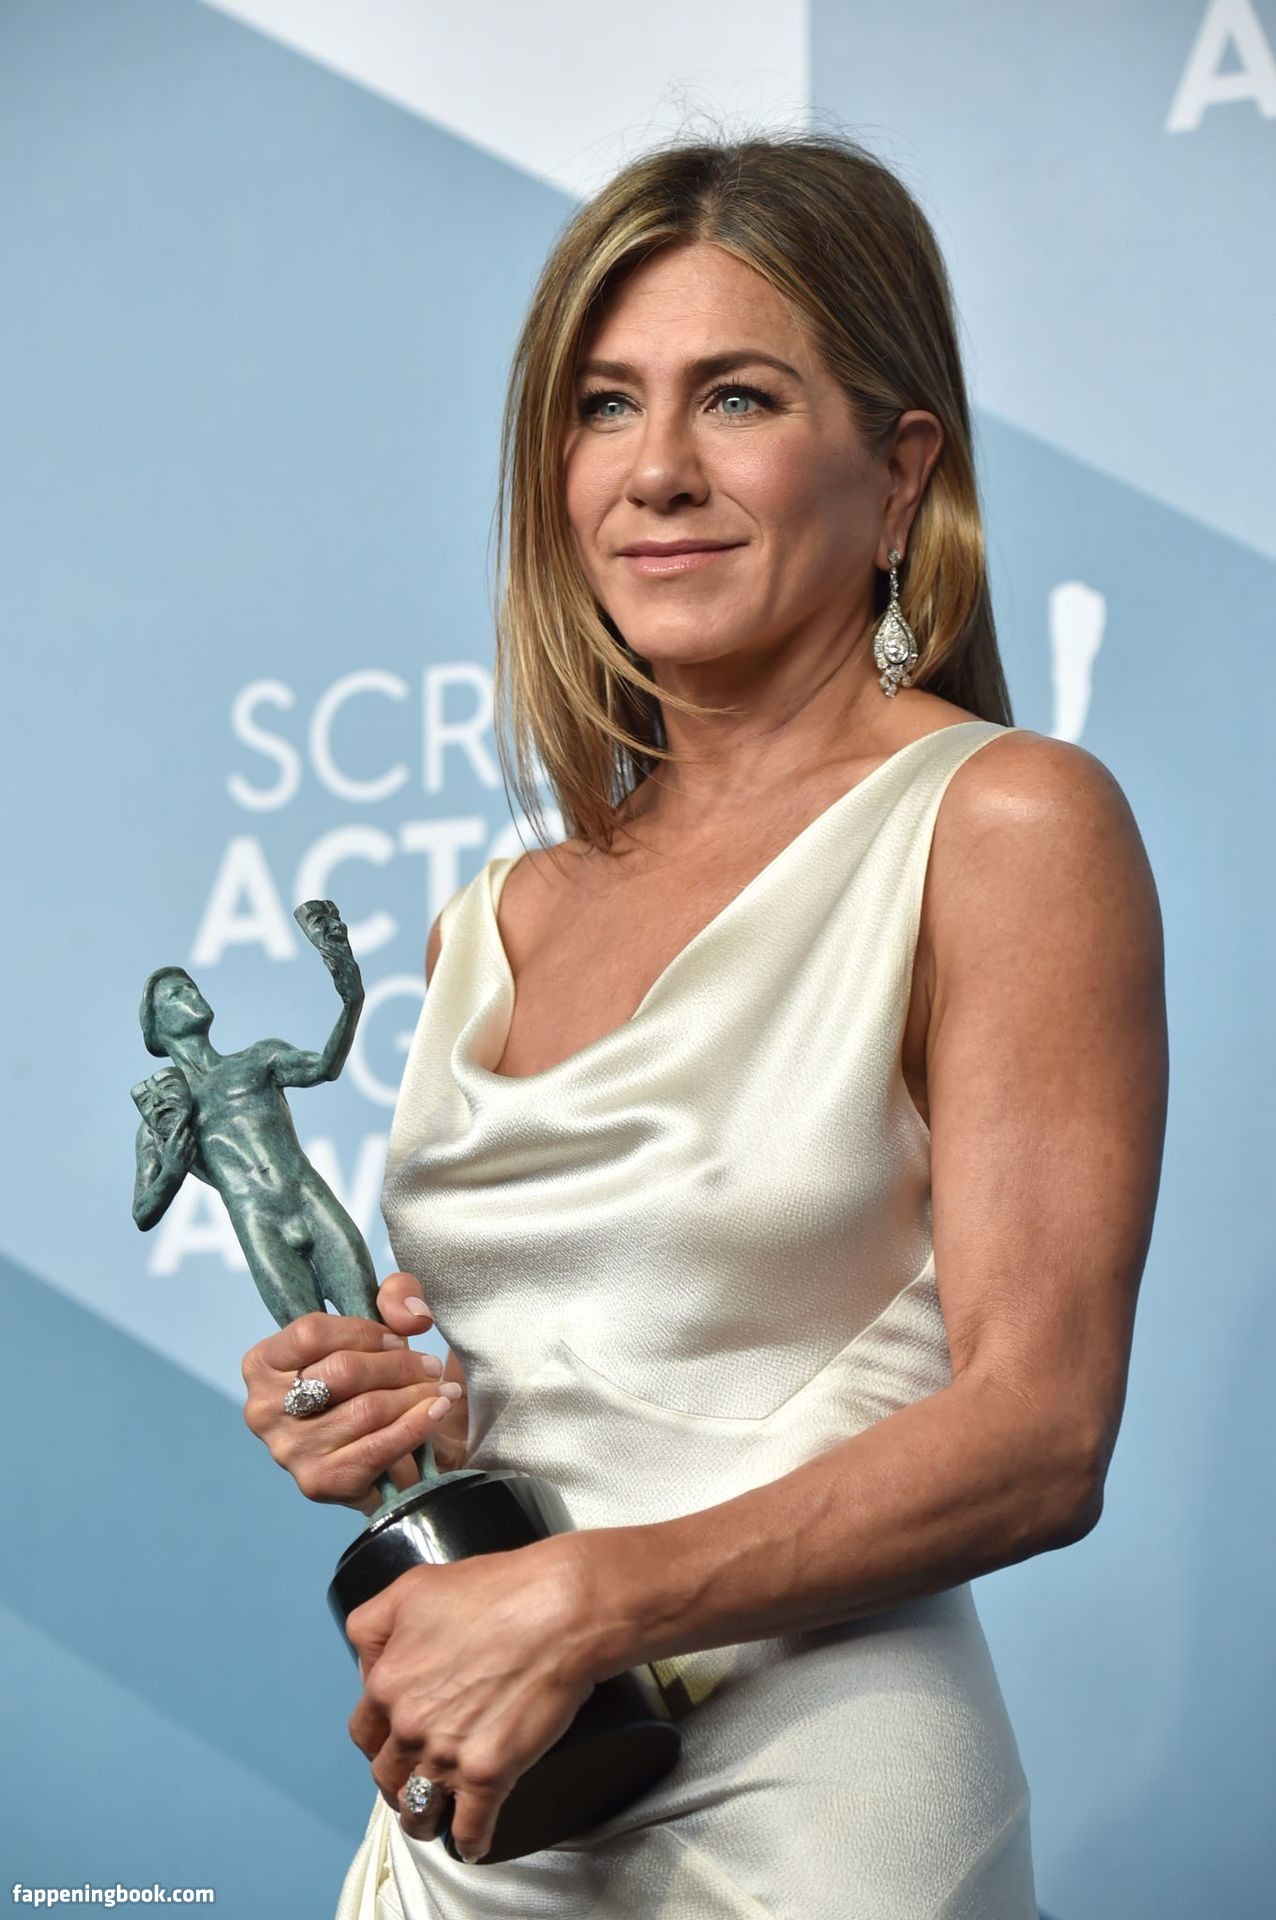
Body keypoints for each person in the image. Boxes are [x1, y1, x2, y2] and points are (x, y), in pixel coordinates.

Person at [240, 130, 1168, 1917]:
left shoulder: (1005, 825)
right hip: (487, 1817)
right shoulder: (494, 918)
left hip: (818, 1822)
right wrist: (399, 1421)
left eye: (737, 398)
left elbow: (1043, 1431)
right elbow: (607, 1382)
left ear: (899, 474)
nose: (655, 469)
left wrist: (586, 1600)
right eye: (604, 406)